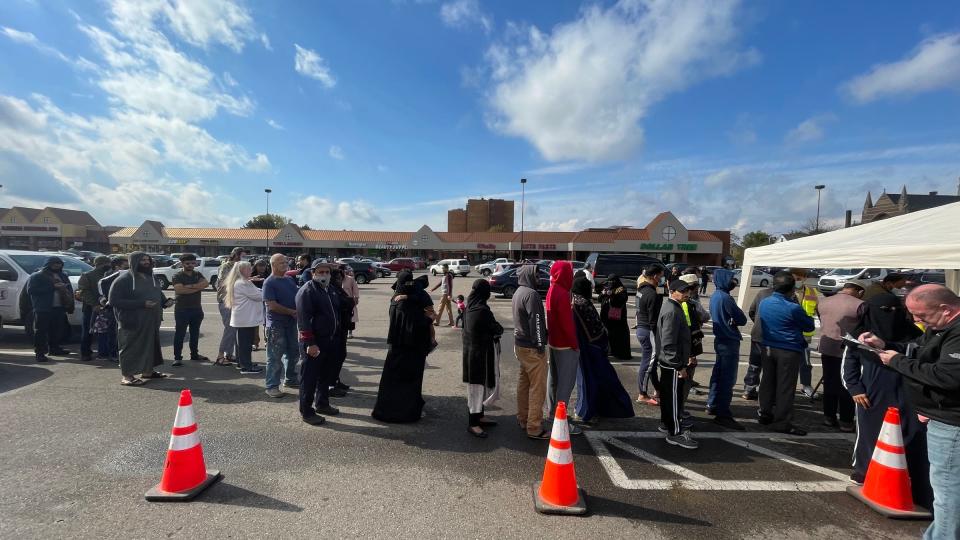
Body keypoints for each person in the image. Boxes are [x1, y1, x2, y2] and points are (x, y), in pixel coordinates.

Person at [860, 285, 959, 539]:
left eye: (922, 315)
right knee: (947, 493)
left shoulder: (956, 333)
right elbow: (918, 349)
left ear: (946, 310)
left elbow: (948, 376)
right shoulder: (940, 328)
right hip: (941, 416)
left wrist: (896, 361)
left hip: (951, 424)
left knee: (948, 496)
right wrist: (885, 345)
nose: (916, 320)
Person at [844, 288, 928, 499]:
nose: (890, 314)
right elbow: (849, 365)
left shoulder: (915, 334)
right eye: (884, 310)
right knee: (870, 432)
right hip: (872, 392)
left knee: (911, 433)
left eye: (895, 309)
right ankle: (864, 470)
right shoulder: (858, 335)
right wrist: (855, 389)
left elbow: (920, 354)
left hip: (908, 391)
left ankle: (911, 475)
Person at [757, 272, 815, 435]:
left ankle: (765, 413)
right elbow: (809, 326)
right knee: (785, 387)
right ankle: (782, 422)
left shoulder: (765, 302)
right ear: (790, 288)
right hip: (788, 349)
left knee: (767, 382)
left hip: (768, 346)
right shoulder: (793, 307)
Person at [372, 270, 433, 423]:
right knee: (406, 384)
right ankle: (403, 413)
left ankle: (390, 410)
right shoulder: (405, 303)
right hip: (410, 350)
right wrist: (428, 319)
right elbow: (417, 324)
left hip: (397, 349)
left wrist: (410, 296)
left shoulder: (396, 298)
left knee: (392, 382)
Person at [571, 276, 634, 422]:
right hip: (593, 350)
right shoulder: (583, 304)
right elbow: (596, 330)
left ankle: (583, 410)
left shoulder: (574, 300)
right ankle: (587, 413)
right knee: (595, 381)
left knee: (584, 382)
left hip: (582, 349)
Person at [108, 252, 172, 386]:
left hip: (151, 319)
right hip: (132, 320)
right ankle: (127, 376)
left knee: (150, 345)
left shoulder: (151, 277)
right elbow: (113, 301)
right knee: (130, 347)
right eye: (142, 260)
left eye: (148, 259)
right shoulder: (124, 279)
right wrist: (141, 304)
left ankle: (148, 371)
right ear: (134, 261)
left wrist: (165, 302)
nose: (146, 262)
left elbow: (157, 294)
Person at [815, 281, 865, 431]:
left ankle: (829, 417)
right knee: (847, 383)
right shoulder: (860, 304)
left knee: (830, 382)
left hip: (827, 346)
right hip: (847, 350)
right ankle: (846, 420)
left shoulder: (823, 301)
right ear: (859, 291)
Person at [297, 261, 341, 425]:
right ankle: (306, 412)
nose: (324, 274)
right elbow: (303, 320)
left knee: (325, 376)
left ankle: (322, 403)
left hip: (330, 341)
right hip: (314, 343)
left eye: (327, 272)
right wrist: (310, 343)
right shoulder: (307, 291)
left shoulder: (330, 290)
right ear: (313, 272)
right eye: (320, 271)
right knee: (309, 378)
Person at [544, 261, 583, 435]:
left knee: (553, 380)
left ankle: (552, 414)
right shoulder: (562, 293)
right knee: (565, 385)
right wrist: (575, 345)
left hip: (553, 342)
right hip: (565, 345)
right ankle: (560, 421)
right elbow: (567, 325)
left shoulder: (552, 289)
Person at [707, 268, 748, 430]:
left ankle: (712, 403)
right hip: (729, 341)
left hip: (720, 339)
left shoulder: (715, 296)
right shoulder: (725, 298)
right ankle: (723, 413)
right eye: (732, 279)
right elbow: (742, 319)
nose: (734, 282)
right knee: (727, 379)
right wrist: (734, 320)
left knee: (718, 375)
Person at [657, 280, 697, 449]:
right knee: (673, 398)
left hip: (670, 361)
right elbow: (668, 342)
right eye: (682, 291)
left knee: (668, 396)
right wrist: (678, 365)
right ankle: (674, 432)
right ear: (671, 290)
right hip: (672, 363)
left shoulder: (673, 306)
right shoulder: (672, 310)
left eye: (687, 291)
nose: (686, 294)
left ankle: (667, 424)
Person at [512, 264, 550, 440]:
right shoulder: (531, 295)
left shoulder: (518, 291)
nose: (539, 278)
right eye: (536, 275)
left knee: (524, 383)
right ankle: (534, 426)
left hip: (520, 345)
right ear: (529, 276)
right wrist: (541, 345)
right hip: (532, 347)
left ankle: (523, 418)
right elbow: (536, 322)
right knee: (538, 387)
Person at [462, 279, 504, 438]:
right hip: (478, 355)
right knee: (476, 388)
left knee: (478, 387)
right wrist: (496, 329)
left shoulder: (470, 306)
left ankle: (479, 416)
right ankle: (473, 423)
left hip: (472, 353)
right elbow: (496, 328)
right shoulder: (482, 310)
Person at [262, 253, 300, 398]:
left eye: (286, 262)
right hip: (276, 325)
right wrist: (291, 311)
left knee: (293, 352)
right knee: (274, 356)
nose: (285, 265)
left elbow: (297, 296)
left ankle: (290, 379)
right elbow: (271, 305)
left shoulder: (289, 279)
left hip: (290, 323)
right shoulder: (269, 282)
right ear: (273, 265)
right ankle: (271, 386)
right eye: (281, 263)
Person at [27, 256, 74, 362]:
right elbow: (31, 290)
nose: (57, 266)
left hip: (59, 307)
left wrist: (70, 304)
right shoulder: (38, 276)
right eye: (54, 264)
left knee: (57, 330)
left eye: (59, 264)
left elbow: (69, 290)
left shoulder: (63, 275)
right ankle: (40, 353)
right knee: (41, 331)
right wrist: (53, 287)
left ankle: (54, 348)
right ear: (48, 264)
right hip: (43, 307)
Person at [225, 261, 264, 375]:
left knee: (242, 343)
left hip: (243, 317)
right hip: (246, 318)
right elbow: (259, 296)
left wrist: (251, 281)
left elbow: (255, 293)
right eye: (248, 269)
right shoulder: (243, 283)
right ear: (242, 271)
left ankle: (242, 363)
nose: (251, 270)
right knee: (245, 344)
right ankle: (246, 367)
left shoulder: (241, 282)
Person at [170, 254, 209, 367]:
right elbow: (180, 290)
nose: (191, 265)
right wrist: (198, 287)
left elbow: (206, 284)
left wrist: (189, 286)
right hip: (182, 309)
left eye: (193, 263)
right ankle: (177, 358)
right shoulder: (177, 275)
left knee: (195, 333)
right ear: (182, 264)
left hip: (196, 309)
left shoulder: (197, 274)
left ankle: (194, 354)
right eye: (188, 263)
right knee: (180, 334)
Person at [635, 264, 664, 405]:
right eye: (661, 275)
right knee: (647, 364)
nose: (662, 278)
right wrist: (659, 334)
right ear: (655, 276)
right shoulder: (652, 294)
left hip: (641, 328)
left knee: (651, 363)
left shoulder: (641, 289)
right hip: (649, 331)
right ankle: (642, 394)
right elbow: (653, 320)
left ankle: (657, 389)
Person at [741, 284, 775, 400]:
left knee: (755, 364)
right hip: (773, 337)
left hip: (758, 334)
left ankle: (749, 390)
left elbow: (752, 311)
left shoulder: (762, 293)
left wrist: (758, 322)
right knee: (771, 366)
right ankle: (768, 393)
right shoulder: (788, 296)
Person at [790, 268, 819, 398]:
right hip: (789, 332)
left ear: (805, 278)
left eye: (799, 278)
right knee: (787, 362)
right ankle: (786, 387)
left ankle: (806, 385)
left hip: (805, 334)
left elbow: (818, 310)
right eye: (795, 278)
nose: (797, 281)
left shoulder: (812, 291)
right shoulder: (785, 290)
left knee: (806, 362)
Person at [326, 265, 354, 398]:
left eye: (340, 278)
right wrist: (348, 302)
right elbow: (345, 303)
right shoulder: (330, 290)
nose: (339, 280)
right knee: (335, 357)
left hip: (342, 327)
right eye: (336, 278)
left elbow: (349, 302)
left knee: (341, 355)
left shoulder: (337, 289)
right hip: (335, 329)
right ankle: (331, 384)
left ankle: (335, 381)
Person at [76, 255, 112, 361]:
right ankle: (85, 353)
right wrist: (94, 304)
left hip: (107, 306)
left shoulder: (110, 274)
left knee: (106, 331)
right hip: (91, 308)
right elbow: (84, 292)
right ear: (98, 264)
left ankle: (106, 352)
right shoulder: (87, 275)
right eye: (105, 263)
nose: (108, 265)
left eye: (108, 263)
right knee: (88, 331)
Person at [94, 257, 128, 363]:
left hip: (125, 307)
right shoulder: (108, 278)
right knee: (113, 332)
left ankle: (122, 353)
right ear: (117, 267)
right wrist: (104, 300)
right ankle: (113, 354)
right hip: (112, 308)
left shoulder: (125, 275)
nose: (127, 268)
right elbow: (101, 292)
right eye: (125, 266)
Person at [215, 247, 244, 366]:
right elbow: (224, 281)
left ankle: (229, 354)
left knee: (234, 329)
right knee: (230, 329)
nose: (244, 258)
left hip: (237, 300)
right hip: (226, 300)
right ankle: (220, 356)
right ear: (236, 255)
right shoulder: (226, 266)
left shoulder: (240, 266)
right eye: (242, 255)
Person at [600, 274, 632, 360]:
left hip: (618, 318)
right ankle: (611, 351)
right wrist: (603, 294)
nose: (610, 283)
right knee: (609, 335)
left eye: (612, 281)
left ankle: (620, 353)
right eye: (609, 281)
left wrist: (612, 295)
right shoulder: (606, 287)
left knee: (619, 335)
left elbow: (621, 300)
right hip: (607, 317)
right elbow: (600, 298)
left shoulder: (621, 289)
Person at [250, 258, 270, 351]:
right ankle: (255, 342)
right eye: (259, 265)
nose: (262, 267)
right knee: (256, 322)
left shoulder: (269, 275)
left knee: (267, 322)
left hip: (267, 301)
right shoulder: (251, 276)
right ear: (255, 266)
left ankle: (267, 341)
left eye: (264, 265)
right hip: (255, 301)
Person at [342, 264, 359, 339]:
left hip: (349, 300)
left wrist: (356, 298)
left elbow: (355, 289)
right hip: (339, 300)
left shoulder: (350, 279)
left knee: (351, 317)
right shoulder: (335, 279)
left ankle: (350, 332)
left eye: (342, 271)